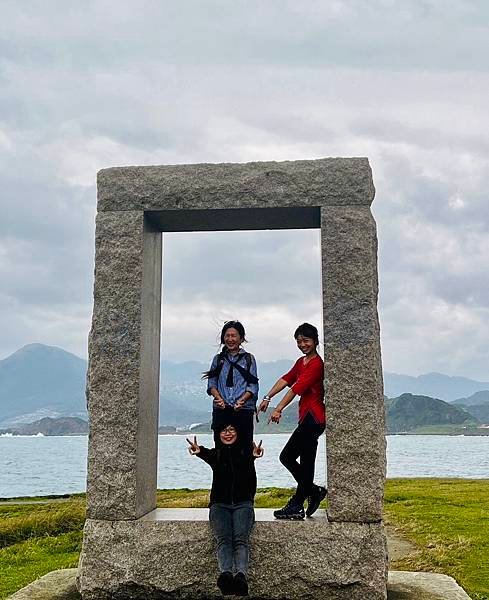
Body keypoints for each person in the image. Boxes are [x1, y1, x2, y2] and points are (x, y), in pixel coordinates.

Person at [257, 322, 326, 520]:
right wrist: (267, 397)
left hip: (315, 418)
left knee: (287, 457)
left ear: (315, 341)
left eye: (306, 340)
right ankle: (312, 492)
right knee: (305, 463)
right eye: (298, 341)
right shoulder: (301, 362)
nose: (302, 344)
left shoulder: (316, 364)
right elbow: (286, 379)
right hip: (306, 417)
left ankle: (300, 500)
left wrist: (278, 409)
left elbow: (297, 388)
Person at [187, 423, 264, 596]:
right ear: (219, 434)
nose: (227, 434)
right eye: (224, 430)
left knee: (240, 540)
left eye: (231, 430)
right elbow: (205, 453)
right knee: (223, 540)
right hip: (219, 505)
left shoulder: (246, 452)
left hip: (243, 503)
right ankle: (226, 575)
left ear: (237, 433)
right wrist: (198, 449)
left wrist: (254, 455)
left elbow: (252, 456)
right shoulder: (217, 454)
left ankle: (241, 577)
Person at [203, 321, 259, 446]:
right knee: (221, 450)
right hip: (222, 410)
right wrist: (218, 398)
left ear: (241, 338)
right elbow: (212, 384)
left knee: (244, 448)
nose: (230, 339)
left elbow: (253, 385)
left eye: (234, 336)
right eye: (227, 336)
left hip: (244, 410)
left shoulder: (249, 359)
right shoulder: (218, 359)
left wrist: (242, 400)